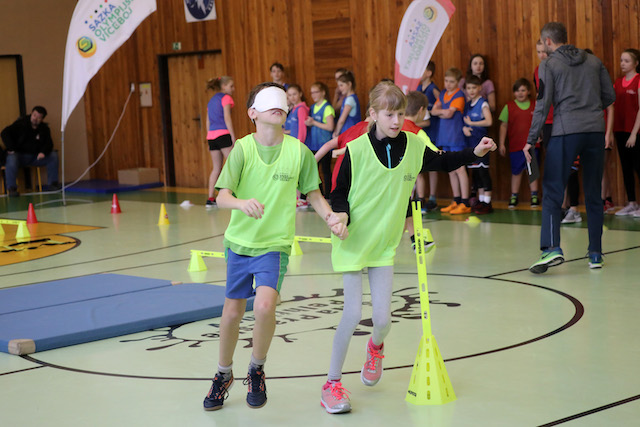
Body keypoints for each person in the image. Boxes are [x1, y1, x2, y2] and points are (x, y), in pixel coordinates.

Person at [321, 81, 496, 414]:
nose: (396, 121)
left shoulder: (414, 145)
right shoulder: (356, 150)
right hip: (351, 241)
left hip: (384, 245)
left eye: (400, 114)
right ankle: (332, 383)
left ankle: (375, 348)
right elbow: (338, 191)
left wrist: (475, 152)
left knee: (383, 320)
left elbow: (444, 162)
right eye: (389, 114)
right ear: (373, 115)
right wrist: (340, 215)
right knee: (353, 314)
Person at [202, 82, 347, 411]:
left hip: (275, 245)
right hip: (239, 244)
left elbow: (313, 194)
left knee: (265, 307)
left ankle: (256, 368)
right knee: (232, 313)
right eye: (269, 101)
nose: (278, 105)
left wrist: (331, 219)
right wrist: (241, 204)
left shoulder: (299, 152)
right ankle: (223, 374)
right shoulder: (242, 149)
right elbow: (222, 196)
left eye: (282, 102)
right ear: (253, 113)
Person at [526, 22, 615, 273]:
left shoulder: (549, 65)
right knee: (593, 193)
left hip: (566, 131)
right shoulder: (594, 61)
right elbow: (609, 96)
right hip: (595, 131)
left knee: (553, 189)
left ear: (548, 41)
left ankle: (551, 247)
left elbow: (542, 105)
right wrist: (589, 108)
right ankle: (595, 254)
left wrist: (531, 139)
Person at [431, 67, 471, 214]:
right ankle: (456, 200)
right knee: (451, 170)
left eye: (452, 81)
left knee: (460, 169)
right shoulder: (442, 93)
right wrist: (442, 112)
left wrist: (440, 112)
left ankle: (465, 202)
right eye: (446, 81)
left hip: (456, 136)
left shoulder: (459, 95)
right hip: (445, 136)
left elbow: (449, 114)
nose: (448, 84)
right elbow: (433, 111)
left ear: (458, 82)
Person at [498, 78, 540, 209]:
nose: (520, 93)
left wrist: (540, 136)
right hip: (516, 146)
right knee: (516, 171)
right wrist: (501, 143)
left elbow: (541, 123)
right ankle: (514, 196)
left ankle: (534, 196)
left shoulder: (535, 105)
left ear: (529, 91)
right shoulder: (509, 106)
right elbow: (503, 126)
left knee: (532, 171)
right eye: (517, 91)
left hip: (532, 146)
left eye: (523, 90)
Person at [1, 106, 60, 197]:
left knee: (53, 155)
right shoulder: (20, 124)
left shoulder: (44, 129)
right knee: (11, 159)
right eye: (34, 115)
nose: (35, 118)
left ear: (42, 119)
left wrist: (43, 152)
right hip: (19, 156)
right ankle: (12, 188)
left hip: (36, 157)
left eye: (39, 117)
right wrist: (11, 148)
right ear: (31, 114)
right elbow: (4, 133)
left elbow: (49, 144)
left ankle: (53, 184)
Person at [612, 48, 640, 217]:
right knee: (626, 168)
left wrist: (634, 133)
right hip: (619, 130)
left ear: (636, 63)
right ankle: (632, 203)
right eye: (621, 60)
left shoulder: (638, 81)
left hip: (634, 132)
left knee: (638, 167)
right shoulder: (617, 82)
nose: (622, 63)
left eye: (626, 61)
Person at [462, 75, 493, 214]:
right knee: (476, 175)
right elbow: (464, 122)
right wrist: (465, 128)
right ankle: (480, 201)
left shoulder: (483, 103)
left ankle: (487, 202)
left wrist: (472, 123)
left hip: (481, 143)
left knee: (483, 172)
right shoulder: (468, 105)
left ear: (479, 88)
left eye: (474, 87)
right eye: (468, 88)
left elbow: (489, 121)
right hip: (471, 144)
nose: (471, 90)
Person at [205, 76, 236, 207]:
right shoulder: (226, 98)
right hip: (223, 134)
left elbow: (208, 121)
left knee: (216, 168)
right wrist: (232, 136)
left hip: (211, 136)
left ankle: (210, 198)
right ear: (223, 86)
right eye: (231, 86)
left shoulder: (211, 100)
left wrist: (208, 136)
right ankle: (234, 194)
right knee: (233, 165)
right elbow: (227, 117)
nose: (233, 89)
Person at [416, 61, 441, 211]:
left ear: (429, 73)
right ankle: (420, 197)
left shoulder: (434, 89)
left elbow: (443, 103)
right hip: (421, 133)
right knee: (420, 167)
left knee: (432, 167)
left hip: (432, 132)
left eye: (422, 69)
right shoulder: (418, 89)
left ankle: (432, 198)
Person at [305, 82, 335, 197]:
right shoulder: (312, 107)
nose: (313, 95)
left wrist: (314, 122)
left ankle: (328, 195)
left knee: (326, 171)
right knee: (314, 172)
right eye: (312, 93)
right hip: (314, 144)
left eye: (316, 92)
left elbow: (330, 127)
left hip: (325, 144)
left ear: (323, 92)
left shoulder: (327, 107)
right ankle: (319, 194)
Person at [284, 84, 311, 208]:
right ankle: (296, 197)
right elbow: (293, 129)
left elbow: (302, 129)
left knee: (298, 172)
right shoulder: (293, 109)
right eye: (289, 95)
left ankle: (301, 198)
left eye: (294, 94)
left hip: (298, 146)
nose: (292, 97)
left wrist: (299, 145)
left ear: (300, 94)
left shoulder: (301, 109)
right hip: (292, 145)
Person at [333, 71, 361, 137]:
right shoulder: (348, 98)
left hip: (350, 134)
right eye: (339, 86)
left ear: (349, 84)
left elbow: (342, 120)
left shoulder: (350, 99)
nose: (340, 88)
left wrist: (336, 132)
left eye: (341, 85)